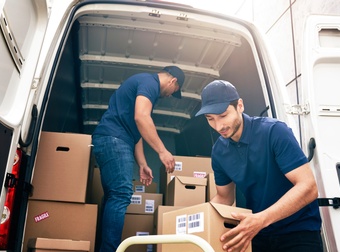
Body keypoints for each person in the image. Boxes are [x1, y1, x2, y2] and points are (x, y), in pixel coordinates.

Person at [195, 80, 322, 252]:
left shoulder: (274, 132)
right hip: (257, 233)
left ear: (240, 105)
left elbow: (308, 187)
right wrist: (194, 220)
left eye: (223, 116)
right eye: (210, 119)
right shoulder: (218, 151)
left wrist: (260, 220)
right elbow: (224, 198)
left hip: (297, 231)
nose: (218, 126)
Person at [92, 66, 185, 252]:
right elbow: (141, 117)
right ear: (173, 81)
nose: (169, 95)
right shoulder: (149, 83)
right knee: (121, 194)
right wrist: (162, 151)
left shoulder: (144, 84)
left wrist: (142, 164)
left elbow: (137, 131)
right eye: (173, 92)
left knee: (114, 196)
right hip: (114, 139)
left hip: (115, 139)